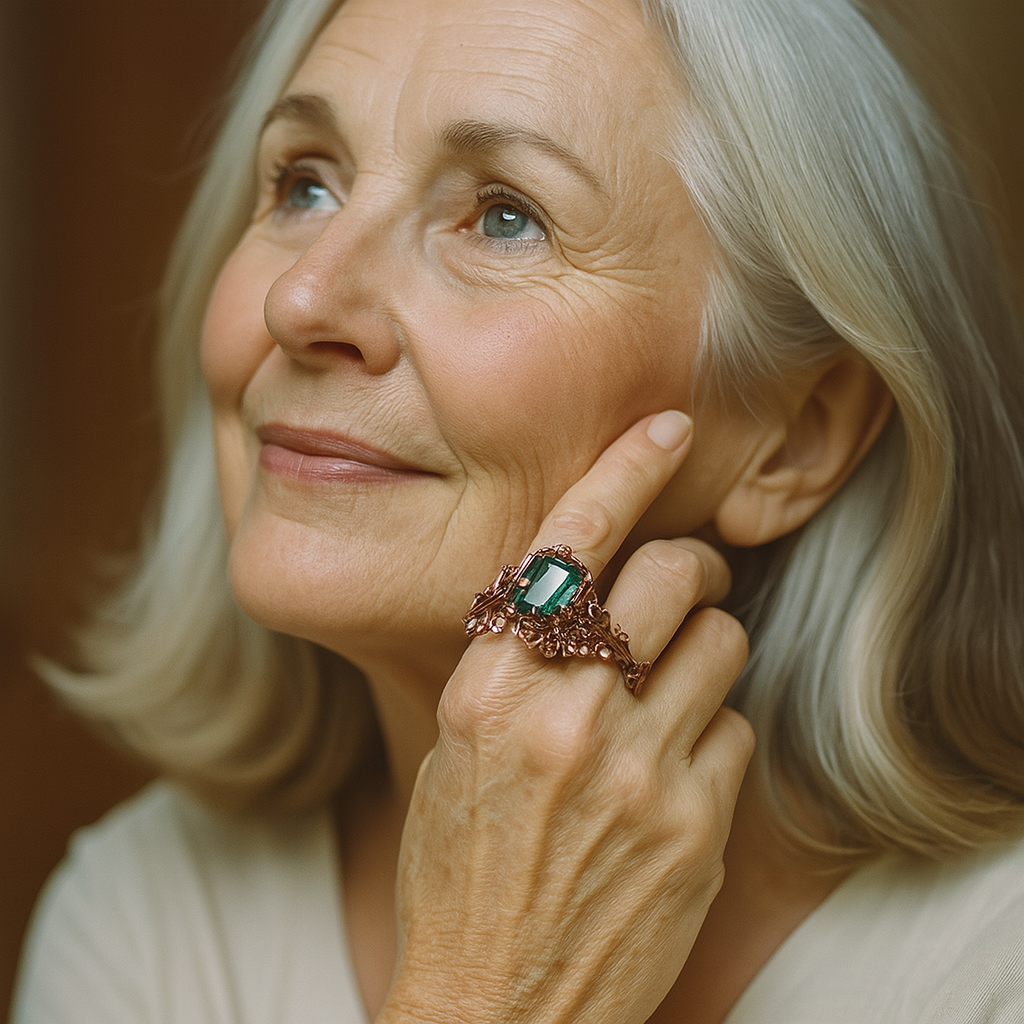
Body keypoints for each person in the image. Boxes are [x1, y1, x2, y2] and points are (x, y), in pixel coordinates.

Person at [11, 0, 1024, 1020]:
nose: (301, 301)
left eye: (505, 216)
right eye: (304, 183)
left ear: (795, 434)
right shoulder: (145, 924)